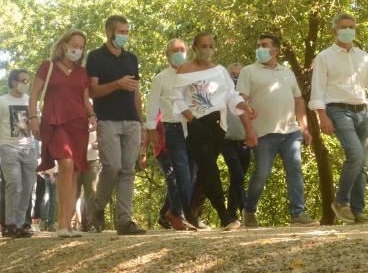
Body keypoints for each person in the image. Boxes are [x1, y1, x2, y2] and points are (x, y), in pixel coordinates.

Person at [310, 13, 368, 224]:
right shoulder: (325, 57)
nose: (348, 30)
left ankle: (358, 211)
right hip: (338, 111)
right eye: (343, 27)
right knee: (356, 154)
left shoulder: (363, 57)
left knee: (363, 162)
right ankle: (341, 202)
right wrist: (322, 117)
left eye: (351, 27)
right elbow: (318, 89)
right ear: (334, 31)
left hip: (362, 112)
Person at [174, 32, 257, 231]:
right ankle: (225, 216)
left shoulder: (220, 71)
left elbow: (230, 95)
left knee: (205, 171)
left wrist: (244, 107)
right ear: (194, 48)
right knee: (211, 169)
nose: (207, 50)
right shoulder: (184, 70)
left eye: (210, 46)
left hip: (218, 126)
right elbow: (176, 98)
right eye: (203, 46)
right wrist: (191, 120)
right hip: (195, 124)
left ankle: (185, 211)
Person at [237, 35, 317, 227]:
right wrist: (248, 130)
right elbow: (240, 102)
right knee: (262, 173)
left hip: (290, 132)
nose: (260, 49)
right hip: (263, 133)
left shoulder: (287, 73)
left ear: (276, 50)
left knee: (295, 170)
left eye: (264, 45)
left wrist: (304, 127)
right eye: (258, 45)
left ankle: (298, 213)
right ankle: (249, 210)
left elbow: (298, 100)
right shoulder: (248, 71)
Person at [29, 29, 95, 238]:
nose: (77, 49)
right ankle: (61, 224)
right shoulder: (47, 67)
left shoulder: (82, 72)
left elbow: (85, 101)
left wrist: (92, 115)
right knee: (65, 164)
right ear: (64, 45)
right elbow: (34, 95)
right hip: (55, 122)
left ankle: (68, 224)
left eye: (81, 46)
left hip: (79, 124)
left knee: (75, 171)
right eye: (74, 44)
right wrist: (33, 118)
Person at [87, 15, 147, 235]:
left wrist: (141, 123)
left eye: (127, 32)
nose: (124, 36)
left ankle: (124, 221)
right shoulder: (95, 57)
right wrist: (117, 84)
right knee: (112, 167)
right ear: (109, 32)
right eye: (121, 32)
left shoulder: (131, 58)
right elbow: (92, 91)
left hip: (131, 120)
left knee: (128, 171)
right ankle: (97, 207)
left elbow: (136, 91)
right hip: (108, 119)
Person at [144, 38, 193, 231]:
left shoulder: (195, 75)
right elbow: (152, 106)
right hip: (172, 128)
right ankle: (177, 214)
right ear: (167, 55)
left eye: (182, 49)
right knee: (180, 173)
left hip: (194, 129)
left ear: (188, 52)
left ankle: (175, 211)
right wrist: (151, 131)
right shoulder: (161, 78)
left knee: (193, 174)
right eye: (174, 50)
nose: (179, 53)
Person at [0, 69, 36, 238]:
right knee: (14, 184)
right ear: (13, 82)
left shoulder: (31, 101)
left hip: (28, 147)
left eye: (28, 81)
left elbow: (37, 124)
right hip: (8, 147)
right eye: (23, 80)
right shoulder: (1, 101)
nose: (26, 84)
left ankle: (21, 223)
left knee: (28, 186)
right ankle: (8, 224)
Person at [221, 63, 252, 226]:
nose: (235, 77)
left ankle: (233, 214)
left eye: (238, 75)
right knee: (238, 174)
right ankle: (245, 208)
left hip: (244, 140)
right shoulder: (222, 93)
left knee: (238, 178)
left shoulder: (249, 94)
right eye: (232, 74)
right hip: (226, 140)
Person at [76, 118, 102, 231]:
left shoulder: (97, 118)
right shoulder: (73, 116)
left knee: (91, 193)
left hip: (92, 159)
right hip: (75, 160)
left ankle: (92, 223)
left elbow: (106, 136)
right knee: (73, 193)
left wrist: (99, 144)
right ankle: (69, 223)